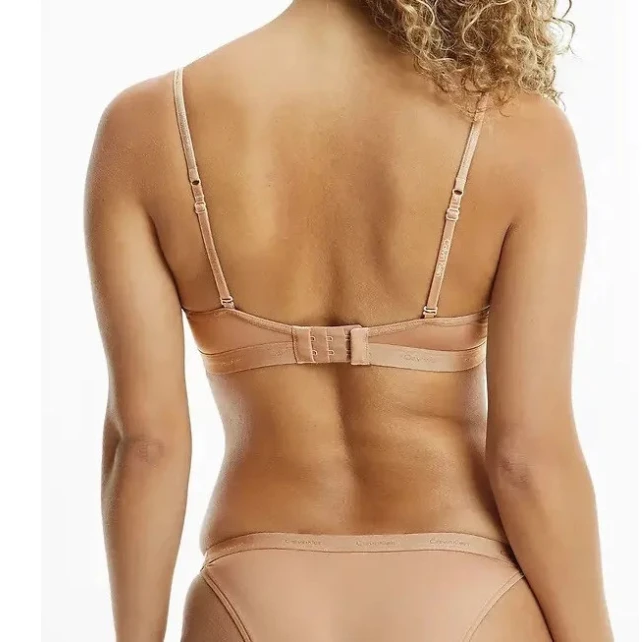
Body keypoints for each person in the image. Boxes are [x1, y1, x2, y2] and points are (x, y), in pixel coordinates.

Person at [85, 0, 613, 640]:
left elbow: (147, 446)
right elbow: (527, 458)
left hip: (251, 592)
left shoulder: (147, 125)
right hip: (467, 597)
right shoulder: (519, 129)